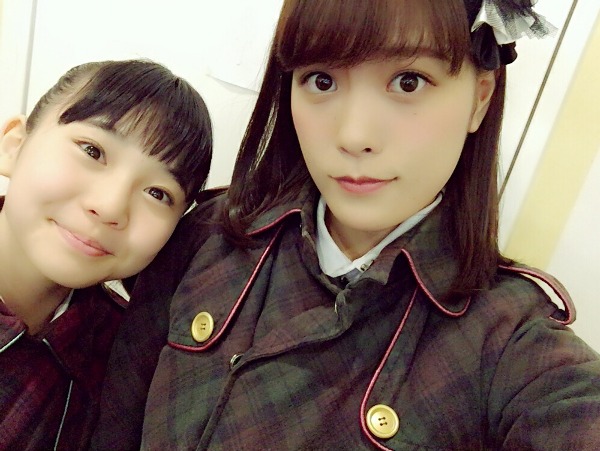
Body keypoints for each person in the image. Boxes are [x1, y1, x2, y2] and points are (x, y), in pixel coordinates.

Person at [92, 1, 600, 450]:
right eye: (322, 80)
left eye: (408, 81)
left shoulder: (509, 342)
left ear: (480, 98)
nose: (354, 135)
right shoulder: (210, 235)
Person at [0, 59, 212, 450]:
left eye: (157, 193)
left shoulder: (125, 358)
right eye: (92, 151)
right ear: (14, 146)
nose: (111, 206)